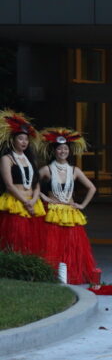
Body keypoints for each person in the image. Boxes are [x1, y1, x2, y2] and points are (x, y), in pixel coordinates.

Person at [36, 127, 98, 284]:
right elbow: (31, 184)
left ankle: (70, 275)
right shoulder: (47, 169)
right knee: (53, 246)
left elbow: (92, 188)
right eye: (59, 149)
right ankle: (53, 275)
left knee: (71, 246)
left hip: (70, 213)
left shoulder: (74, 170)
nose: (62, 151)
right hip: (53, 212)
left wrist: (82, 205)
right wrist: (43, 196)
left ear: (69, 151)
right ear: (54, 151)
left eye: (65, 149)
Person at [0, 110, 45, 256]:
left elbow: (36, 183)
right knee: (15, 238)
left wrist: (33, 200)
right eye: (20, 138)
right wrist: (25, 203)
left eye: (26, 139)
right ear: (13, 140)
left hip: (32, 202)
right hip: (16, 202)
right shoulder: (7, 159)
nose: (24, 142)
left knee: (31, 240)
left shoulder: (31, 160)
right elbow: (9, 185)